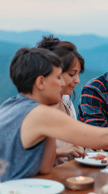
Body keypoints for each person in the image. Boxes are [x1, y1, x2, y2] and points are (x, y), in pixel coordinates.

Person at [0, 48, 108, 182]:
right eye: (58, 78)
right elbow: (103, 138)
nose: (63, 83)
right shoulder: (38, 114)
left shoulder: (13, 105)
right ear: (40, 82)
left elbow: (45, 168)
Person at [37, 35, 85, 165]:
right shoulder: (35, 110)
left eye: (78, 74)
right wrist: (61, 152)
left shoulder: (66, 99)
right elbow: (26, 159)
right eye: (71, 74)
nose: (77, 81)